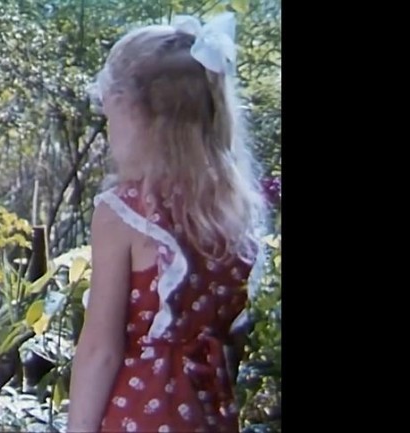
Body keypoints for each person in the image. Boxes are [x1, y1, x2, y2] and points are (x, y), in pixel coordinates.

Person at [67, 12, 268, 433]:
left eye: (110, 116)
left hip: (140, 412)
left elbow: (101, 349)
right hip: (209, 410)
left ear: (131, 111)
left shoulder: (125, 211)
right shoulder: (231, 210)